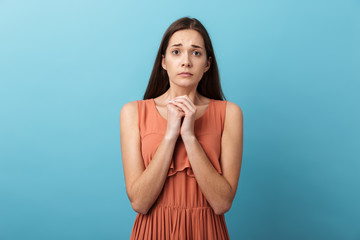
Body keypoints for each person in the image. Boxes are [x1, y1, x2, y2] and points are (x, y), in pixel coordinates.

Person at [120, 16, 243, 239]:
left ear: (207, 64)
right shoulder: (132, 112)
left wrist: (189, 136)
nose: (186, 61)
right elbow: (139, 202)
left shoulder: (230, 113)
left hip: (206, 232)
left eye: (196, 52)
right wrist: (169, 136)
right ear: (164, 61)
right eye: (176, 51)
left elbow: (222, 203)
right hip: (153, 231)